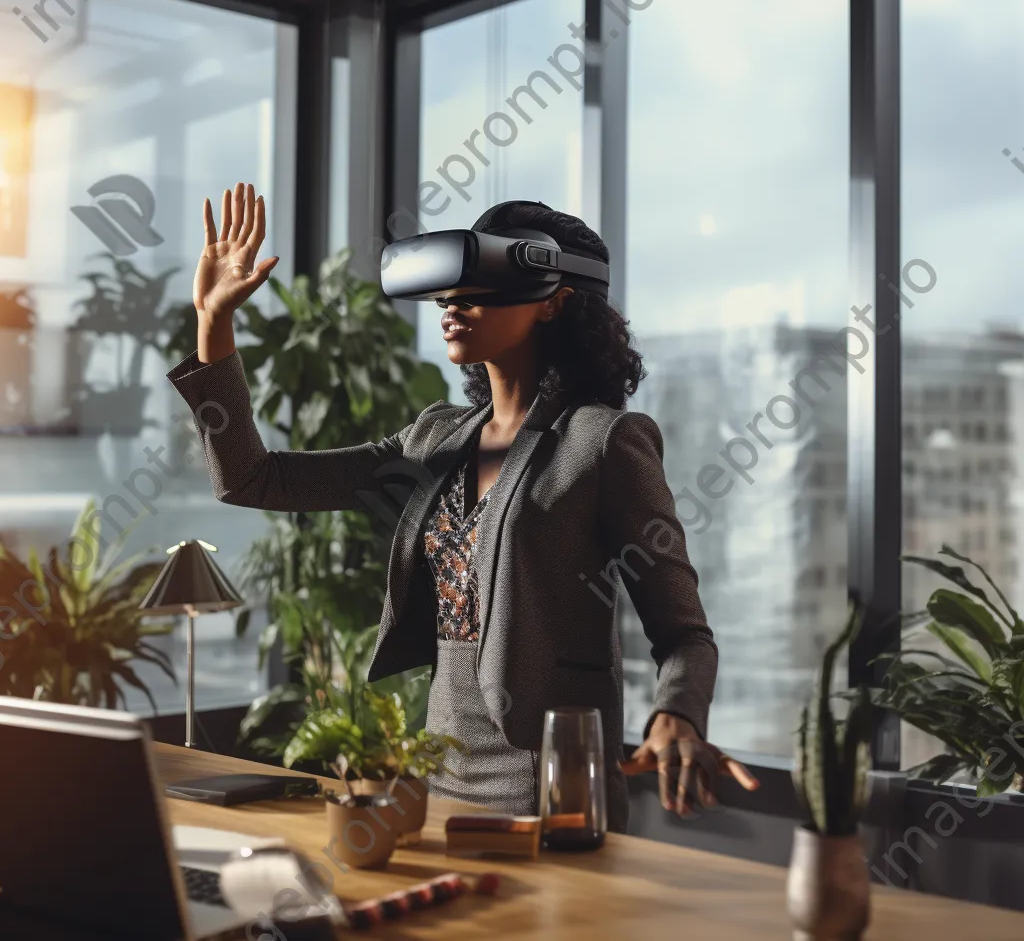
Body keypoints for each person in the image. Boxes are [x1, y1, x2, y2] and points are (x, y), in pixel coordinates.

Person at [167, 182, 759, 833]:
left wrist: (676, 714)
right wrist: (214, 324)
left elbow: (684, 635)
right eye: (449, 290)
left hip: (549, 773)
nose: (452, 303)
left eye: (480, 288)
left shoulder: (603, 441)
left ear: (556, 302)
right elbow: (254, 479)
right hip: (438, 760)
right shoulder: (434, 437)